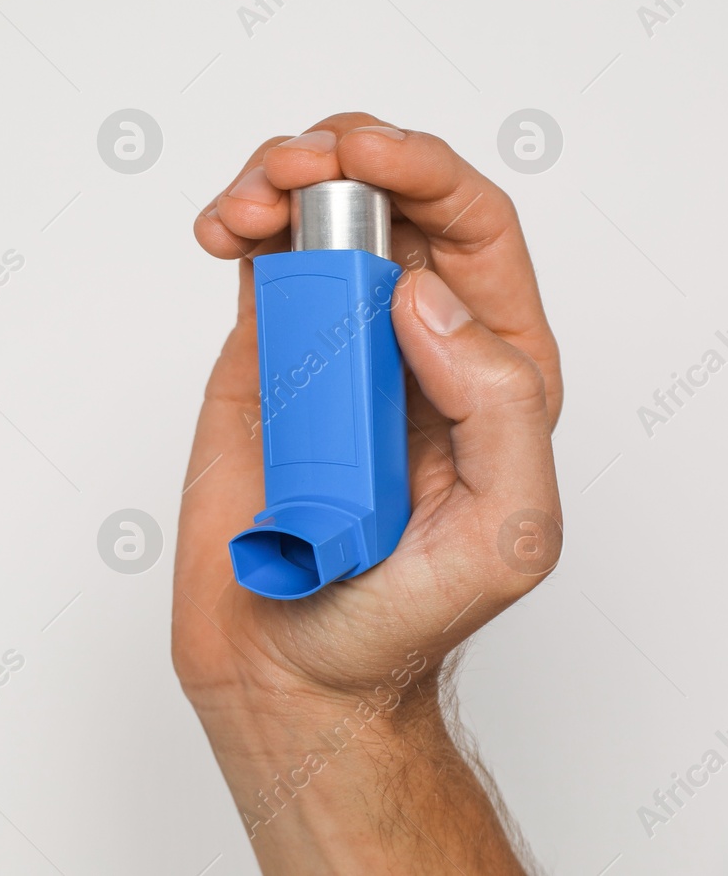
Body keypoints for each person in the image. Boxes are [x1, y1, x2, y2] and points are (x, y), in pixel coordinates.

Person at [173, 113, 562, 874]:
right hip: (313, 518)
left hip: (341, 519)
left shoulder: (362, 288)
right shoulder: (309, 290)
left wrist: (323, 698)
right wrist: (293, 696)